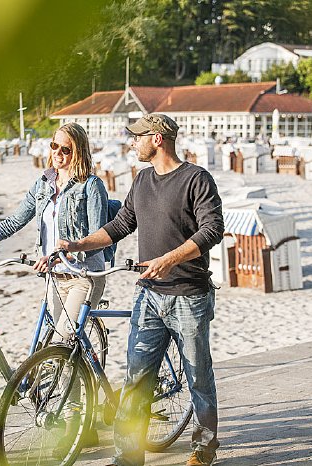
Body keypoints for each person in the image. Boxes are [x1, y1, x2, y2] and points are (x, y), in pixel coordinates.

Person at [58, 114, 224, 466]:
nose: (131, 143)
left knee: (198, 376)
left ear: (157, 139)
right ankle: (128, 456)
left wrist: (170, 258)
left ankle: (203, 448)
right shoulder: (143, 179)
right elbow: (121, 225)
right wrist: (78, 245)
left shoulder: (196, 179)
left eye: (136, 138)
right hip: (148, 294)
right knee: (135, 378)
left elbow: (212, 230)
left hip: (189, 295)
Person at [0, 122, 109, 343]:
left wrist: (64, 256)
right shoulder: (43, 184)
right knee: (57, 352)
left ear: (78, 152)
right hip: (54, 278)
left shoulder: (91, 186)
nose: (57, 153)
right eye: (54, 145)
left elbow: (99, 238)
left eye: (65, 149)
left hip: (84, 278)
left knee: (60, 344)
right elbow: (14, 221)